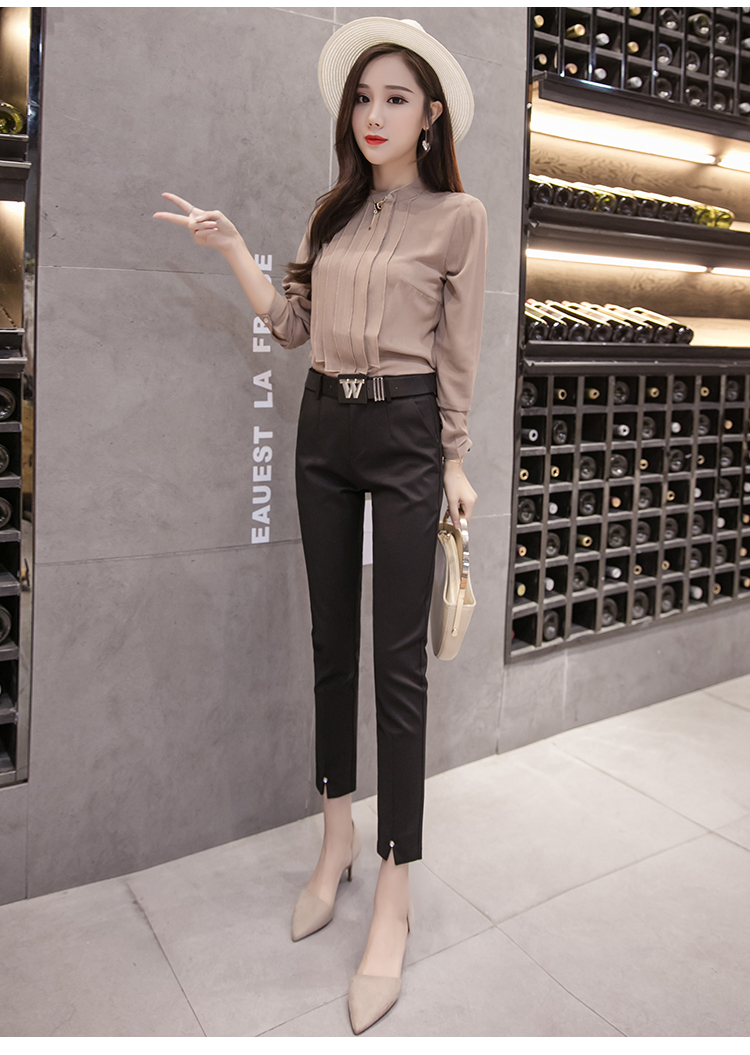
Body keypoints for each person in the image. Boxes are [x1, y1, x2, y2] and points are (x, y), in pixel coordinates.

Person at [154, 16, 488, 1035]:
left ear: (431, 115)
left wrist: (456, 457)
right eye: (363, 98)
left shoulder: (459, 218)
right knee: (330, 646)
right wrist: (231, 251)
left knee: (399, 664)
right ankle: (336, 835)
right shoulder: (329, 211)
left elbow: (460, 350)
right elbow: (292, 325)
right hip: (323, 427)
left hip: (407, 431)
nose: (375, 114)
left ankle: (396, 887)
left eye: (396, 98)